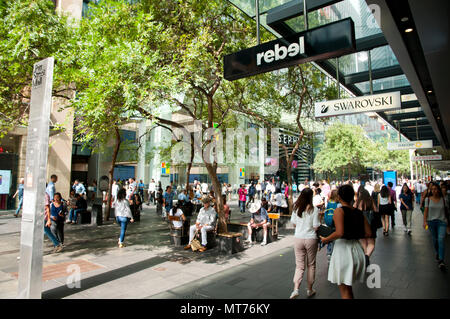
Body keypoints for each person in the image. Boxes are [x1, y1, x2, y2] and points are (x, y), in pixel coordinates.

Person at [320, 185, 371, 299]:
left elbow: (339, 233)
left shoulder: (339, 211)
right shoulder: (358, 212)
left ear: (339, 197)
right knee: (348, 288)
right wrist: (354, 233)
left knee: (344, 291)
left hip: (343, 252)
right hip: (357, 250)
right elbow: (368, 233)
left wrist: (326, 239)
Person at [289, 188, 320, 299]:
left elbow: (294, 224)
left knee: (299, 266)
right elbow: (316, 226)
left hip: (298, 238)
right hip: (311, 238)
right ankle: (310, 290)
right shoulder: (314, 209)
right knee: (311, 265)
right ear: (311, 197)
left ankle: (295, 289)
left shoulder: (296, 208)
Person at [423, 183, 448, 271]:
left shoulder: (444, 199)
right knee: (435, 239)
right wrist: (424, 221)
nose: (434, 191)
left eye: (436, 189)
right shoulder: (428, 199)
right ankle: (437, 252)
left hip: (442, 221)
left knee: (441, 239)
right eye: (432, 189)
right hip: (431, 222)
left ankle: (441, 259)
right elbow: (426, 211)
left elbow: (446, 211)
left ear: (439, 190)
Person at [355, 189, 379, 265]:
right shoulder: (370, 200)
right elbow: (376, 210)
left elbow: (354, 209)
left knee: (363, 243)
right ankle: (367, 256)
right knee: (371, 243)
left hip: (360, 224)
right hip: (371, 224)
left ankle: (365, 257)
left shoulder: (358, 201)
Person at [323, 189, 340, 261]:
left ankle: (329, 252)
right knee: (335, 237)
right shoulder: (338, 204)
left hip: (329, 222)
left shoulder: (329, 202)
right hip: (335, 222)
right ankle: (335, 252)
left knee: (330, 236)